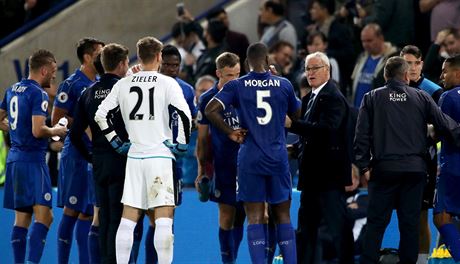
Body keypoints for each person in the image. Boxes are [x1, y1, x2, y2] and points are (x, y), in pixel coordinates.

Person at [95, 36, 192, 264]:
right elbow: (185, 114)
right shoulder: (168, 83)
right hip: (159, 156)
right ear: (159, 57)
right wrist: (181, 144)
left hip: (134, 156)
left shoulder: (124, 83)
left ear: (138, 56)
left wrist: (116, 142)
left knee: (128, 219)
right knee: (164, 219)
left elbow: (101, 115)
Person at [354, 56, 460, 264]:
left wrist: (363, 165)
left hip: (384, 169)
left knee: (376, 224)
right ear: (406, 76)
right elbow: (445, 125)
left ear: (385, 76)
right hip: (414, 171)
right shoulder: (421, 97)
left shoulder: (371, 97)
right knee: (410, 225)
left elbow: (361, 136)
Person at [205, 42, 300, 264]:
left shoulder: (237, 85)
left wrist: (230, 132)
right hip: (277, 157)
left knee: (255, 217)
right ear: (268, 61)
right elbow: (297, 116)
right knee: (283, 216)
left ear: (247, 63)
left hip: (250, 158)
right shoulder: (283, 84)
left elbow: (210, 110)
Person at [285, 51, 354, 264]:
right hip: (312, 177)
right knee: (306, 229)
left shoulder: (333, 97)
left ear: (327, 70)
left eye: (315, 68)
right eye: (308, 69)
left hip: (329, 177)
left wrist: (293, 125)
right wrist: (295, 149)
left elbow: (327, 130)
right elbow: (312, 137)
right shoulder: (310, 98)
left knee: (338, 227)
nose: (310, 73)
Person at [0, 49, 67, 264]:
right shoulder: (38, 94)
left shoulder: (12, 89)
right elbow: (39, 131)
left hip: (15, 159)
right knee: (45, 217)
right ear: (44, 70)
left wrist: (14, 129)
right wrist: (56, 130)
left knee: (22, 218)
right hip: (32, 161)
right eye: (53, 72)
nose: (54, 76)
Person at [69, 43, 130, 264]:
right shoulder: (125, 89)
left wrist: (91, 156)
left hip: (99, 162)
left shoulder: (88, 93)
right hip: (122, 160)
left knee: (102, 217)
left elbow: (75, 134)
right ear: (123, 64)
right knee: (119, 218)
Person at [143, 44, 197, 264]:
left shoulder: (186, 90)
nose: (172, 69)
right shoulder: (147, 86)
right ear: (159, 62)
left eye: (176, 65)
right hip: (148, 157)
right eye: (167, 64)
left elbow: (192, 122)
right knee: (145, 217)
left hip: (172, 161)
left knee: (166, 218)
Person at [53, 37, 104, 264]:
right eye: (99, 54)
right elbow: (56, 119)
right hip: (75, 154)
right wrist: (83, 124)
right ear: (87, 57)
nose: (102, 58)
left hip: (96, 154)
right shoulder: (71, 84)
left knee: (89, 211)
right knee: (72, 211)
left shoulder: (102, 82)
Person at [195, 52, 246, 263]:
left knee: (243, 217)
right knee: (226, 215)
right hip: (224, 165)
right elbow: (202, 140)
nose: (235, 80)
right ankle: (228, 261)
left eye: (237, 74)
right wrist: (201, 172)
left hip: (247, 164)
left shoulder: (246, 94)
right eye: (229, 75)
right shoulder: (207, 99)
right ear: (218, 74)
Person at [400, 44, 443, 264]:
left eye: (415, 62)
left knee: (420, 216)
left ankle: (422, 261)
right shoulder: (392, 89)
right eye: (407, 63)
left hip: (425, 161)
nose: (412, 67)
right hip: (398, 161)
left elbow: (441, 128)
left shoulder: (434, 90)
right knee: (403, 217)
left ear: (422, 63)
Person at [433, 55, 460, 262]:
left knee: (441, 216)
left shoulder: (449, 97)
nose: (442, 76)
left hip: (453, 165)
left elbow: (442, 131)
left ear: (457, 73)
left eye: (445, 71)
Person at [351, 23, 398, 108]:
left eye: (369, 40)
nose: (365, 44)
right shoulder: (361, 58)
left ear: (381, 38)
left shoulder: (393, 60)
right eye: (363, 41)